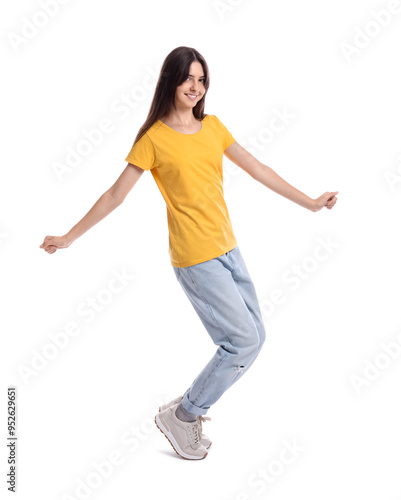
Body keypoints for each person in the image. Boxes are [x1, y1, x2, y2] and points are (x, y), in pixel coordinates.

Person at [40, 46, 338, 461]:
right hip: (195, 258)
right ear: (171, 80)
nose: (196, 87)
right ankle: (185, 415)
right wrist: (69, 236)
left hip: (228, 249)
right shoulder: (154, 139)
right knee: (242, 341)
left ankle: (182, 411)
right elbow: (114, 195)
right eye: (188, 79)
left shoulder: (213, 126)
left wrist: (309, 202)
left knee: (255, 338)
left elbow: (258, 169)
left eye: (202, 80)